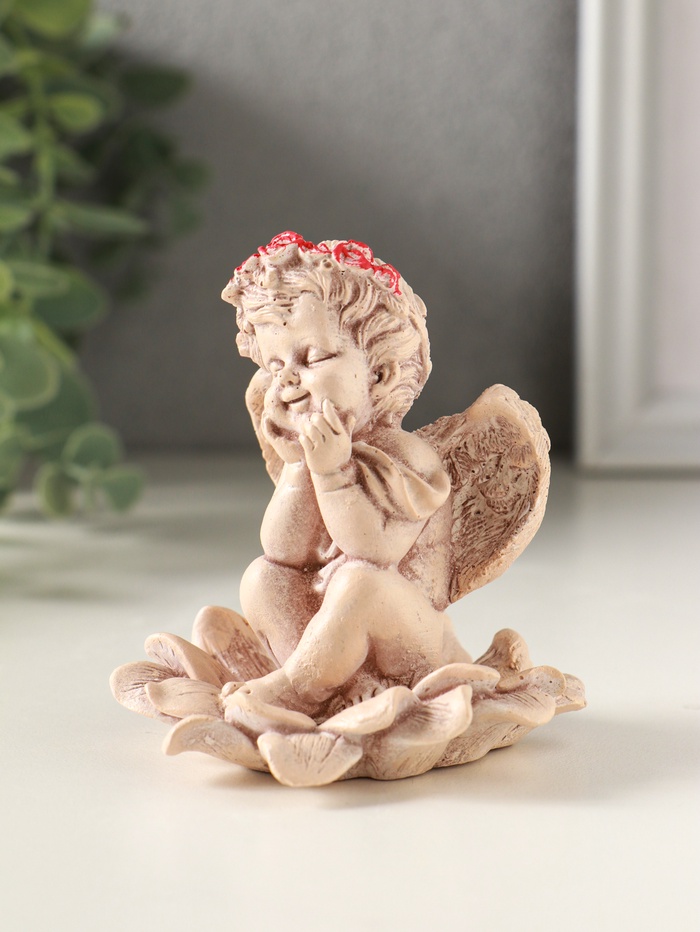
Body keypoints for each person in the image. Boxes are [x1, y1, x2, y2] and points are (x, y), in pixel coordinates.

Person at [221, 232, 468, 718]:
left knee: (360, 582)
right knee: (263, 577)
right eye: (275, 365)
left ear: (379, 374)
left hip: (407, 634)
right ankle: (327, 684)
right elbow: (284, 550)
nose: (287, 380)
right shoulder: (317, 454)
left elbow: (372, 551)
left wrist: (334, 473)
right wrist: (300, 465)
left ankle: (299, 689)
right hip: (333, 620)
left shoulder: (408, 458)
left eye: (312, 358)